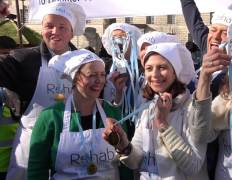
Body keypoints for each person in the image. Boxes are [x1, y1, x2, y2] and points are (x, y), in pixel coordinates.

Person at [0, 2, 86, 179]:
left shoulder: (85, 62)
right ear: (42, 29)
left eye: (63, 27)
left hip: (71, 145)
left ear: (72, 32)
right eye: (49, 26)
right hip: (31, 146)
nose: (55, 31)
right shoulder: (23, 59)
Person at [103, 42, 212, 179]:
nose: (154, 74)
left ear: (175, 71)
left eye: (162, 67)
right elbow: (136, 161)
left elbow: (193, 167)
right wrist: (123, 144)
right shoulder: (148, 106)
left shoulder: (190, 107)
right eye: (149, 68)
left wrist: (163, 124)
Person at [28, 49, 129, 180]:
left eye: (102, 74)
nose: (99, 80)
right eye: (92, 75)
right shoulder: (51, 116)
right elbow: (37, 168)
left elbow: (125, 162)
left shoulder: (112, 112)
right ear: (75, 77)